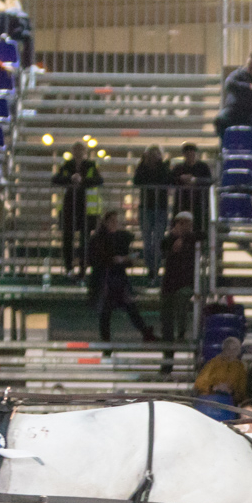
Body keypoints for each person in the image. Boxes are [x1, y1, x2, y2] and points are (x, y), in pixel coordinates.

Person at [87, 212, 148, 344]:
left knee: (125, 309)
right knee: (109, 312)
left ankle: (145, 332)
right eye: (112, 221)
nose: (115, 224)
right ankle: (144, 333)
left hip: (114, 279)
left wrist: (123, 260)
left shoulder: (114, 238)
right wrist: (118, 260)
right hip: (107, 280)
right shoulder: (100, 239)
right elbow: (99, 259)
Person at [52, 145, 103, 274]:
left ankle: (82, 268)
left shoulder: (91, 165)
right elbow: (56, 179)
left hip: (86, 208)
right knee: (67, 239)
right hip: (69, 207)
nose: (78, 153)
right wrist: (70, 179)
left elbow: (99, 180)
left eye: (81, 150)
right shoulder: (67, 165)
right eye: (76, 150)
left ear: (85, 152)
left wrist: (83, 181)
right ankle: (69, 267)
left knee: (84, 240)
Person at [158, 214, 199, 373]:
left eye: (186, 223)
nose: (183, 226)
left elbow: (201, 235)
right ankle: (168, 361)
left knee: (182, 300)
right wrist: (175, 236)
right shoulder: (169, 240)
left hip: (186, 285)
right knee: (166, 324)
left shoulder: (193, 239)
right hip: (169, 286)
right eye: (180, 223)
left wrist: (185, 238)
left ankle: (182, 331)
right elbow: (164, 245)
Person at [131, 145, 173, 281]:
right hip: (146, 207)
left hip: (160, 207)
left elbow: (166, 179)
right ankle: (151, 268)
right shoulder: (143, 167)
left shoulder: (164, 167)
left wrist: (161, 164)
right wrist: (144, 163)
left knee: (158, 240)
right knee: (147, 241)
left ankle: (155, 269)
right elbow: (137, 180)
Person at [215, 51, 252, 141]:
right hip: (235, 109)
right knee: (220, 119)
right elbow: (229, 84)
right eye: (250, 65)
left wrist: (241, 90)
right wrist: (249, 87)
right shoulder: (238, 73)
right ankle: (225, 145)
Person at [196, 336, 248, 402]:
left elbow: (242, 390)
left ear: (238, 352)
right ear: (224, 349)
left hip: (230, 400)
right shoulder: (213, 363)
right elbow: (199, 383)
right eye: (228, 349)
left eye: (234, 350)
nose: (231, 352)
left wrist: (231, 391)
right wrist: (214, 387)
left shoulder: (240, 367)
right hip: (210, 398)